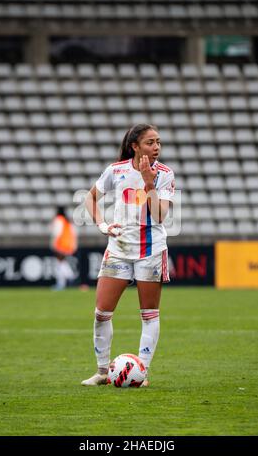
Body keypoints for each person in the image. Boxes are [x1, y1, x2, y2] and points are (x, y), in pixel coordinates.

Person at [81, 124, 175, 386]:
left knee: (149, 313)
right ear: (135, 146)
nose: (156, 148)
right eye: (150, 143)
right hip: (119, 249)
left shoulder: (164, 174)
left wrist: (148, 183)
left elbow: (159, 215)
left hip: (151, 251)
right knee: (101, 313)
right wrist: (102, 225)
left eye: (158, 142)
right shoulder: (116, 170)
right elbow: (90, 199)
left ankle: (141, 373)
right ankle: (102, 372)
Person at [50, 206, 78, 290]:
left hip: (61, 244)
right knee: (62, 262)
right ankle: (67, 279)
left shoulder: (59, 219)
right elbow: (74, 233)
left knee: (60, 262)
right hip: (69, 244)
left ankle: (66, 280)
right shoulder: (67, 221)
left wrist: (53, 243)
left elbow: (57, 233)